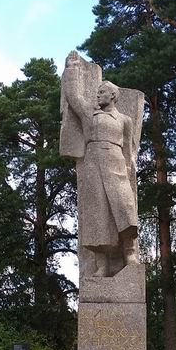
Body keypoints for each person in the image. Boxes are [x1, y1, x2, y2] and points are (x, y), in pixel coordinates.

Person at [61, 51, 139, 277]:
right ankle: (102, 264)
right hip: (93, 165)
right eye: (97, 92)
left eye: (102, 92)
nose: (98, 95)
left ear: (113, 95)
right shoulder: (90, 114)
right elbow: (74, 96)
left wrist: (128, 170)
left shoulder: (125, 120)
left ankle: (130, 253)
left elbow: (128, 150)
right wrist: (72, 70)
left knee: (125, 209)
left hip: (116, 164)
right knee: (98, 215)